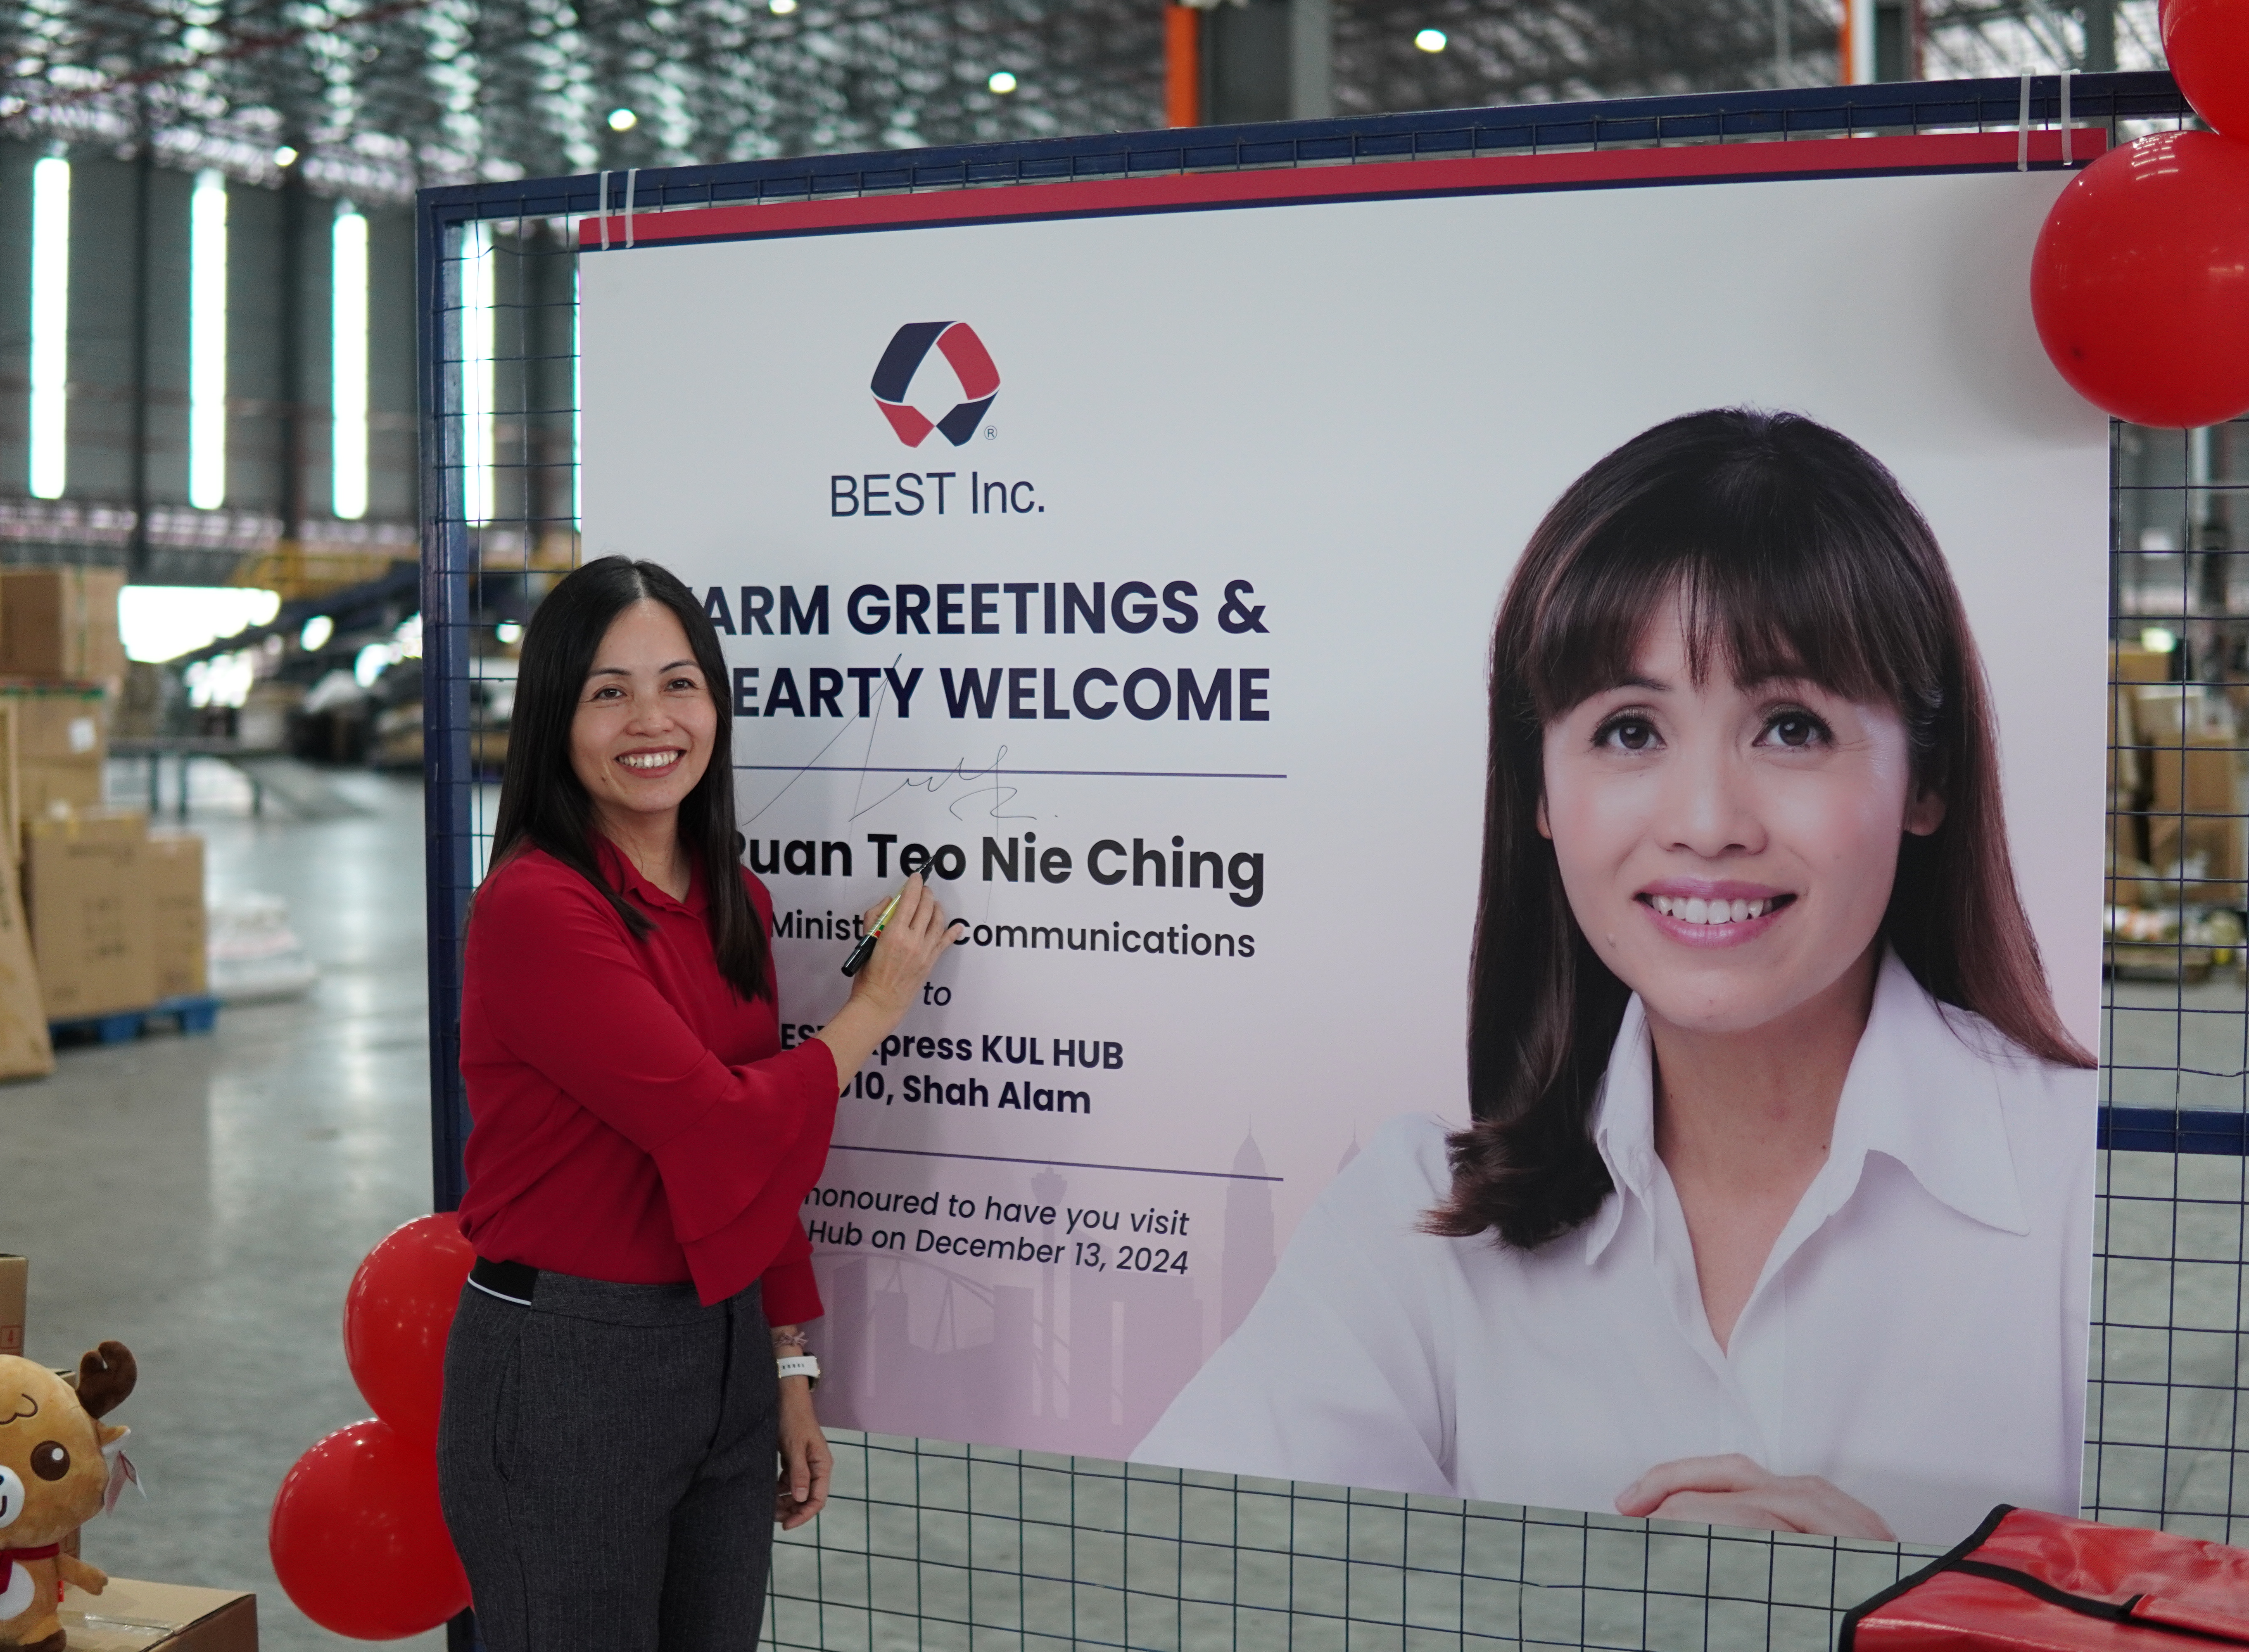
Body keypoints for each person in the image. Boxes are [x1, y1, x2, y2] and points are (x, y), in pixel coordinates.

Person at [1136, 410, 2097, 1545]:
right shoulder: (1418, 1232)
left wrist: (1909, 1620)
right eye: (1631, 733)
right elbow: (1147, 1589)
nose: (1705, 824)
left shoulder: (2116, 1202)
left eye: (1791, 727)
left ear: (1925, 782)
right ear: (1539, 792)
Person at [438, 556, 957, 1651]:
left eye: (679, 683)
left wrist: (788, 1364)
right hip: (567, 1371)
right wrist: (875, 1007)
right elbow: (719, 1123)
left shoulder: (733, 896)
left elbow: (751, 1172)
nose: (652, 720)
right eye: (608, 692)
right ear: (555, 719)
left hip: (718, 1358)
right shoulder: (538, 909)